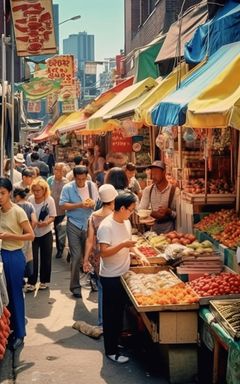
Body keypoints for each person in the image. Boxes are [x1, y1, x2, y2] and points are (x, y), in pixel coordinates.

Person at [97, 191, 138, 364]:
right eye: (131, 209)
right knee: (111, 315)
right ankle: (111, 351)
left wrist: (135, 253)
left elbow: (128, 245)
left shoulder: (126, 222)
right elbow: (104, 253)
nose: (133, 212)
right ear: (122, 208)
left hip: (123, 274)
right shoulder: (106, 226)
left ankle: (116, 343)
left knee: (119, 312)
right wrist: (123, 245)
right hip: (110, 277)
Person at [0, 178, 35, 349]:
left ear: (9, 194)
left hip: (14, 256)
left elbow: (30, 235)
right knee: (3, 298)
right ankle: (9, 330)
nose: (0, 197)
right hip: (1, 255)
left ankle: (20, 333)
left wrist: (9, 236)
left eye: (2, 193)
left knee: (14, 295)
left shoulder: (18, 211)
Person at [59, 166, 99, 298]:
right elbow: (63, 205)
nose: (81, 181)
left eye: (83, 178)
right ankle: (75, 286)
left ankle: (93, 281)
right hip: (74, 224)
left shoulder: (91, 186)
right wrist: (80, 205)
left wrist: (92, 204)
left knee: (91, 254)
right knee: (76, 256)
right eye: (78, 179)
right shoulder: (68, 188)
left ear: (87, 176)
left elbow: (98, 204)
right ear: (74, 177)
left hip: (89, 224)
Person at [83, 184, 118, 328]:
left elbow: (90, 240)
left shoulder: (93, 216)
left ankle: (102, 322)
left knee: (102, 288)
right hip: (112, 255)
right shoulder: (115, 217)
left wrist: (85, 259)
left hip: (97, 257)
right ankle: (113, 322)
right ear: (114, 199)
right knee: (113, 290)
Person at [27, 178, 56, 291]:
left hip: (46, 232)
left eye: (38, 190)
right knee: (32, 258)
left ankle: (43, 281)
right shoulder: (30, 200)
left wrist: (46, 223)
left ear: (44, 190)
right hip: (33, 233)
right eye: (34, 190)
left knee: (46, 257)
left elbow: (53, 216)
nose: (36, 193)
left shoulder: (50, 200)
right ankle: (31, 282)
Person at [138, 161, 177, 234]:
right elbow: (141, 209)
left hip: (171, 232)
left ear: (164, 172)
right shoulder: (148, 190)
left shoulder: (174, 191)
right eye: (151, 173)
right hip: (154, 232)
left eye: (155, 173)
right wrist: (151, 213)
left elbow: (178, 215)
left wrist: (168, 211)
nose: (152, 177)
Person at [13, 187, 37, 280]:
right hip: (27, 237)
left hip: (15, 236)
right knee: (27, 257)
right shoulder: (30, 205)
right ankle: (25, 276)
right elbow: (34, 221)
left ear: (17, 196)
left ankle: (19, 278)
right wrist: (29, 231)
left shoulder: (14, 207)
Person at [47, 163, 68, 259]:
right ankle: (60, 248)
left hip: (63, 210)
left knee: (62, 230)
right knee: (56, 228)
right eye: (55, 169)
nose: (57, 171)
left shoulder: (66, 182)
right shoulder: (50, 180)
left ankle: (61, 248)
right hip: (53, 209)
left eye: (59, 170)